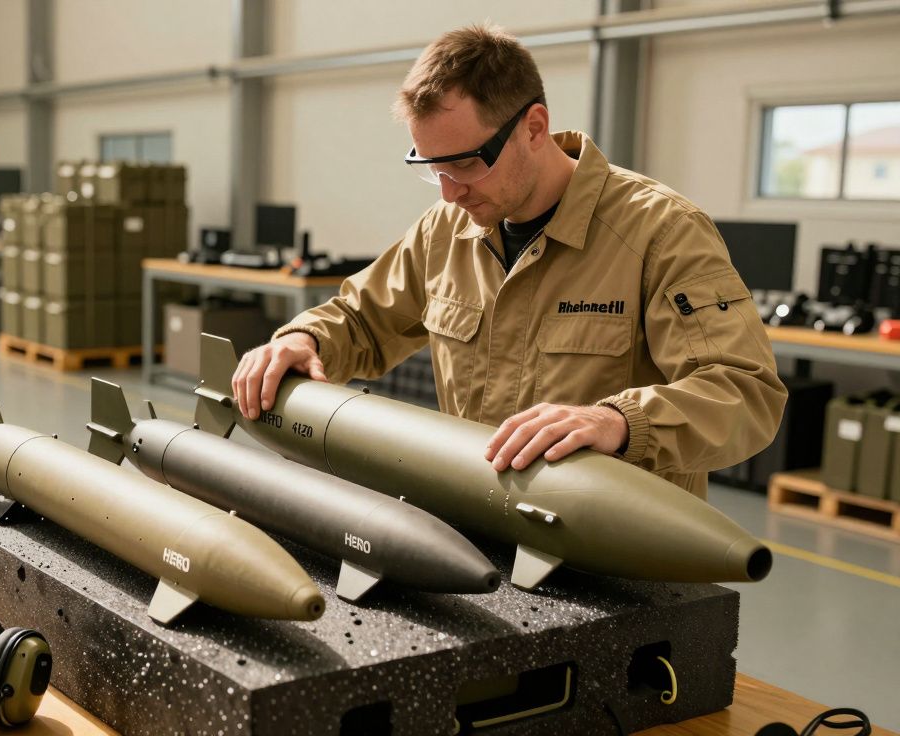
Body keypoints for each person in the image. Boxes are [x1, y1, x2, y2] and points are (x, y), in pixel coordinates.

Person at [232, 23, 786, 499]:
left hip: (619, 562)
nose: (449, 193)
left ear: (534, 127)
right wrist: (303, 339)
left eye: (466, 164)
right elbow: (360, 318)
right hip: (484, 528)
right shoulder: (446, 230)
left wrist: (621, 421)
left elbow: (745, 392)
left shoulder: (659, 232)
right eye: (430, 168)